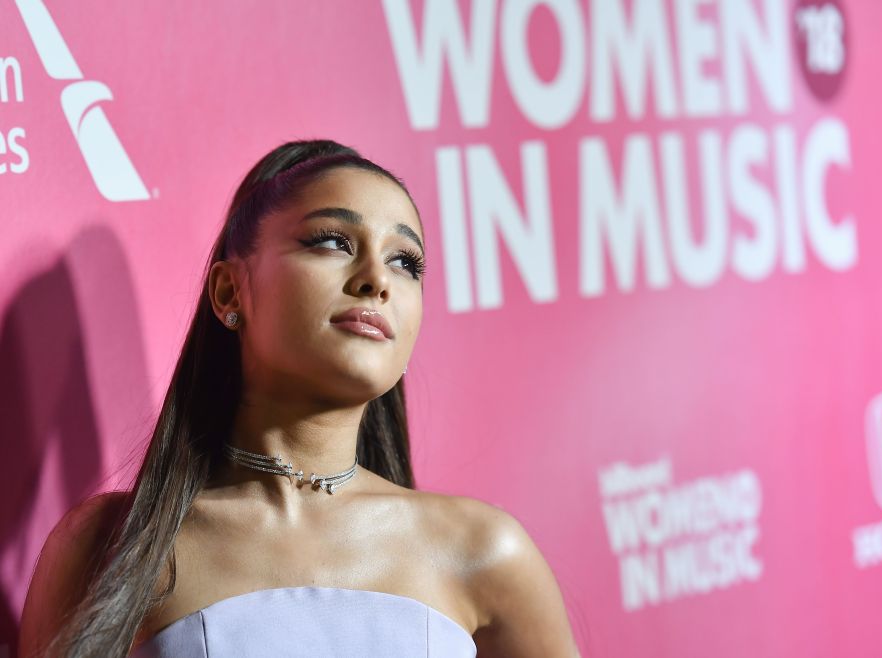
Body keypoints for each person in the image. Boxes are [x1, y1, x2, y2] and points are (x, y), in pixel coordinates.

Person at [18, 140, 580, 657]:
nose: (377, 280)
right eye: (333, 241)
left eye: (405, 261)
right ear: (229, 291)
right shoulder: (108, 546)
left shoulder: (485, 553)